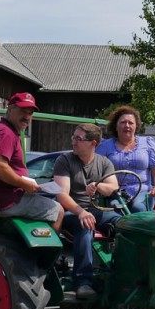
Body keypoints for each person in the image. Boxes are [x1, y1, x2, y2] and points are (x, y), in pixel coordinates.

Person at [52, 124, 121, 300]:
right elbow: (61, 195)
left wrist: (99, 186)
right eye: (73, 137)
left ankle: (121, 276)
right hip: (70, 211)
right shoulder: (65, 160)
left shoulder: (104, 162)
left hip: (95, 210)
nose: (73, 142)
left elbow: (113, 187)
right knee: (85, 225)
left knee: (124, 224)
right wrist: (81, 212)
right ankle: (83, 282)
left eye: (78, 139)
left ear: (93, 143)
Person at [0, 92, 63, 230]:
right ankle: (43, 252)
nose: (27, 117)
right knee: (57, 210)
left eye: (30, 113)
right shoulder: (6, 133)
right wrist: (24, 184)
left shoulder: (2, 129)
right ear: (10, 109)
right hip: (6, 201)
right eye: (23, 111)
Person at [96, 105, 155, 213]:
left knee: (138, 208)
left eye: (130, 123)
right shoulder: (105, 146)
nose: (127, 125)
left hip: (142, 192)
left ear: (136, 126)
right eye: (123, 122)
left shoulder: (148, 143)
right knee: (118, 209)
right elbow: (95, 169)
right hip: (115, 193)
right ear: (116, 126)